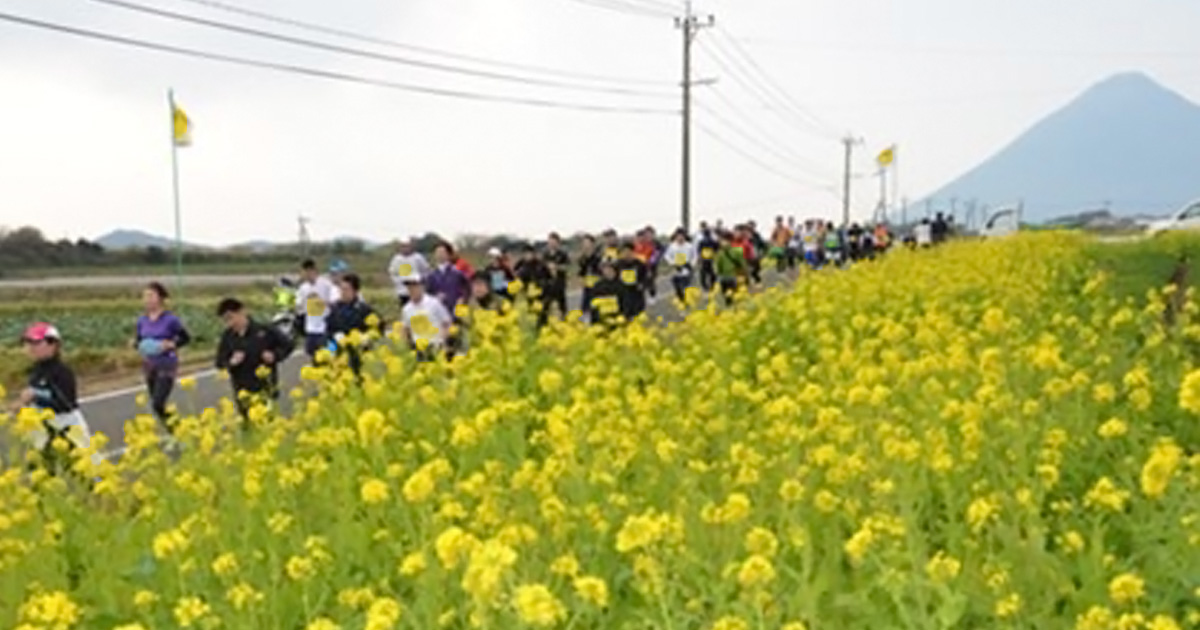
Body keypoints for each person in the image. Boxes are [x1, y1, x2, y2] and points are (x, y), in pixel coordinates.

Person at [13, 323, 101, 477]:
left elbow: (65, 403)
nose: (31, 348)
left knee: (88, 473)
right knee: (41, 475)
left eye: (36, 343)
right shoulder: (35, 371)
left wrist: (37, 395)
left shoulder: (62, 372)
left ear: (53, 344)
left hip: (67, 427)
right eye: (29, 343)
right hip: (44, 430)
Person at [215, 298, 295, 419]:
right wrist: (231, 362)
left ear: (242, 312)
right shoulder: (228, 336)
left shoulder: (264, 330)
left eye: (231, 317)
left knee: (267, 425)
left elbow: (288, 345)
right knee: (248, 427)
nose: (230, 323)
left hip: (265, 387)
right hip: (242, 391)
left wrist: (275, 355)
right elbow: (219, 362)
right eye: (225, 320)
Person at [135, 281, 191, 430]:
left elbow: (185, 338)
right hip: (149, 365)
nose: (147, 299)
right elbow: (138, 340)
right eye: (144, 296)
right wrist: (138, 346)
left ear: (160, 298)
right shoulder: (142, 321)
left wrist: (171, 344)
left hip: (167, 363)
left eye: (151, 295)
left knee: (158, 402)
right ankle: (177, 430)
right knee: (157, 405)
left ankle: (178, 430)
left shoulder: (170, 319)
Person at [328, 273, 384, 378]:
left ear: (355, 291)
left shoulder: (364, 309)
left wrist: (367, 337)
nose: (343, 293)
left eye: (346, 289)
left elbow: (379, 326)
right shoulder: (334, 309)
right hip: (341, 354)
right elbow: (328, 330)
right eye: (341, 289)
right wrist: (333, 346)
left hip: (361, 355)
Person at [296, 258, 340, 362]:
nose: (306, 275)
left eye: (309, 272)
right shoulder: (303, 288)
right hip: (310, 327)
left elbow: (336, 299)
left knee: (329, 353)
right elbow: (299, 305)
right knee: (313, 354)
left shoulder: (326, 284)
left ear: (314, 271)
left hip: (325, 326)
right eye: (304, 272)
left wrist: (324, 302)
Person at [401, 277, 455, 362]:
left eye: (415, 286)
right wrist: (408, 348)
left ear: (421, 287)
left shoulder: (434, 303)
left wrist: (444, 343)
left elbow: (447, 323)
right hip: (419, 349)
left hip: (436, 347)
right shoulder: (406, 309)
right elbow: (405, 329)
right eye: (409, 288)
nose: (412, 290)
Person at [426, 242, 471, 315]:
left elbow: (467, 288)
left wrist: (463, 299)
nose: (440, 255)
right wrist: (435, 297)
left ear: (448, 254)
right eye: (437, 252)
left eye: (442, 252)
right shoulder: (431, 275)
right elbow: (428, 293)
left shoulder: (457, 273)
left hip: (456, 310)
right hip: (439, 312)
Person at [387, 239, 430, 309]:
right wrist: (398, 281)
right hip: (402, 291)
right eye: (403, 247)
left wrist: (421, 280)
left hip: (417, 290)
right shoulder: (396, 259)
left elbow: (426, 270)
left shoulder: (418, 258)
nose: (405, 249)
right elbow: (392, 273)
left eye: (407, 246)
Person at [615, 242, 649, 321]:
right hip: (623, 294)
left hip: (636, 293)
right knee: (624, 317)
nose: (627, 254)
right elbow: (615, 278)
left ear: (633, 252)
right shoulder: (618, 264)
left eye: (629, 252)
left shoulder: (639, 264)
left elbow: (645, 277)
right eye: (624, 252)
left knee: (638, 316)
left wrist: (642, 285)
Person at [542, 233, 571, 323]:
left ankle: (564, 321)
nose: (552, 244)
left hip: (560, 283)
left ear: (558, 243)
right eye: (550, 242)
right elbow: (542, 267)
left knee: (562, 305)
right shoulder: (545, 254)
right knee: (547, 304)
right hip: (548, 284)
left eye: (554, 242)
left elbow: (568, 267)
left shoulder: (562, 254)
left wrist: (556, 267)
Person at [715, 231, 748, 305]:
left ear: (730, 241)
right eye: (722, 241)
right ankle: (729, 309)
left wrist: (744, 275)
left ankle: (734, 310)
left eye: (725, 240)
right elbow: (718, 266)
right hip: (723, 277)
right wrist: (718, 274)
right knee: (726, 296)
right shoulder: (720, 253)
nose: (723, 242)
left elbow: (742, 264)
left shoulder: (737, 251)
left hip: (733, 276)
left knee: (734, 296)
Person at [663, 229, 696, 303]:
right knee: (677, 288)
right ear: (675, 237)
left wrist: (691, 264)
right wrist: (672, 263)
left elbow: (695, 256)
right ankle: (681, 301)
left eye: (682, 236)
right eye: (678, 236)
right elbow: (667, 256)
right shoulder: (672, 246)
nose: (680, 238)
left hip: (686, 269)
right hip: (676, 269)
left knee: (686, 287)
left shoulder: (689, 246)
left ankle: (687, 302)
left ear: (684, 236)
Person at [588, 260, 623, 330]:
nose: (608, 271)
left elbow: (625, 303)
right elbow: (593, 304)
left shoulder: (621, 285)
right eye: (605, 269)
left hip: (617, 319)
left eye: (610, 269)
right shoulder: (598, 286)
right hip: (601, 320)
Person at [577, 235, 603, 317]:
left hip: (598, 287)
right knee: (585, 311)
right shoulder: (582, 259)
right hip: (587, 288)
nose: (586, 245)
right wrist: (581, 280)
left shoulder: (599, 258)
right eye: (584, 243)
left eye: (588, 243)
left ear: (592, 244)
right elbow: (580, 273)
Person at [696, 223, 719, 292]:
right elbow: (717, 249)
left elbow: (699, 250)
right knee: (712, 272)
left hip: (704, 258)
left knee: (703, 273)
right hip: (711, 258)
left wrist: (699, 258)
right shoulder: (713, 241)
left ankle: (705, 286)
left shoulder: (701, 241)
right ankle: (712, 285)